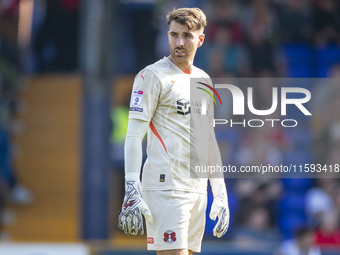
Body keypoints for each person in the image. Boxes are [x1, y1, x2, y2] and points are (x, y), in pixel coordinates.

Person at [118, 7, 230, 255]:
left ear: (200, 39)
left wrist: (220, 193)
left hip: (197, 189)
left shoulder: (204, 80)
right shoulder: (151, 76)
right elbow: (134, 135)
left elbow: (208, 141)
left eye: (187, 36)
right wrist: (131, 186)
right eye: (174, 35)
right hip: (166, 187)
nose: (179, 42)